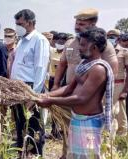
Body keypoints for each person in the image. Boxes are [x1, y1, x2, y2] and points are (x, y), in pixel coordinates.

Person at [36, 27, 114, 159]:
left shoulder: (98, 69)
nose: (80, 48)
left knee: (88, 156)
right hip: (77, 118)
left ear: (94, 47)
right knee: (76, 155)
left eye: (83, 45)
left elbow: (81, 98)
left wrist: (51, 101)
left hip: (89, 121)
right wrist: (47, 95)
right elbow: (68, 88)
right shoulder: (84, 64)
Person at [51, 9, 118, 158]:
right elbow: (62, 66)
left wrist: (49, 99)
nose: (77, 26)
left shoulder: (102, 47)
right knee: (71, 142)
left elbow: (110, 73)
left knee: (89, 152)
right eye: (76, 23)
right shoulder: (72, 43)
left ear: (92, 24)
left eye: (81, 24)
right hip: (72, 100)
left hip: (89, 105)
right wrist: (50, 91)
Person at [10, 9, 50, 156]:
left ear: (30, 22)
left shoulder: (39, 40)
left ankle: (36, 154)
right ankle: (22, 153)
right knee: (20, 125)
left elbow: (40, 69)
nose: (17, 27)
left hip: (30, 88)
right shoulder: (21, 41)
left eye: (19, 23)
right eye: (16, 24)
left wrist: (34, 96)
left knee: (33, 126)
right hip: (18, 88)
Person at [116, 33, 128, 132]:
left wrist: (125, 90)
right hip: (113, 84)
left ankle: (123, 133)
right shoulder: (111, 51)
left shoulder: (126, 52)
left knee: (122, 110)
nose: (126, 44)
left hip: (122, 83)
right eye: (123, 41)